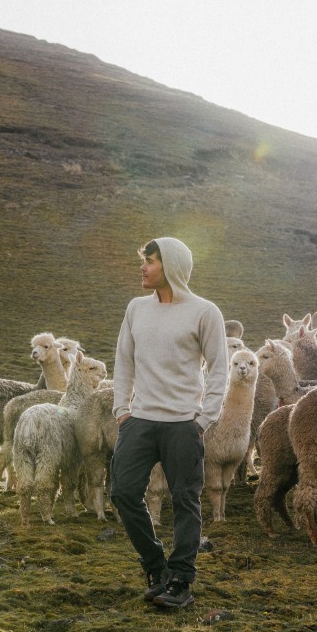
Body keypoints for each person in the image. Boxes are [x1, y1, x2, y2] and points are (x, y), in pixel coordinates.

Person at [110, 237, 229, 609]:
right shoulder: (136, 308)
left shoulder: (205, 312)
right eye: (143, 260)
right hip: (139, 420)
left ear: (172, 266)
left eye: (150, 261)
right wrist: (121, 410)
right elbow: (123, 361)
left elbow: (219, 368)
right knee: (123, 492)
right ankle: (154, 564)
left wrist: (203, 419)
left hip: (183, 424)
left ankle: (180, 581)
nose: (142, 267)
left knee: (185, 501)